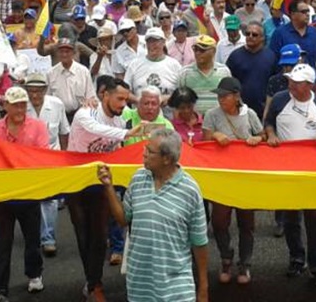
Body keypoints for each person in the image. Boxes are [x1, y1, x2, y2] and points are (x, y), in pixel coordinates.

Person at [97, 127, 210, 302]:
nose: (144, 154)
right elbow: (123, 219)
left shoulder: (190, 190)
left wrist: (203, 288)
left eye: (149, 151)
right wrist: (108, 187)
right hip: (140, 285)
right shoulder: (138, 179)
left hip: (177, 287)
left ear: (166, 159)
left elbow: (199, 242)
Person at [67, 76, 151, 301]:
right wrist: (126, 133)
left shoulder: (122, 117)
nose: (123, 104)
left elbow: (143, 120)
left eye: (126, 100)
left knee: (99, 234)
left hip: (102, 182)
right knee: (83, 234)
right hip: (76, 181)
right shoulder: (86, 113)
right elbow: (96, 129)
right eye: (119, 99)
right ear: (104, 95)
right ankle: (91, 280)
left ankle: (95, 285)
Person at [264, 62, 316, 289]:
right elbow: (268, 121)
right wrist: (271, 134)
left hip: (313, 171)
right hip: (287, 169)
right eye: (290, 82)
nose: (292, 86)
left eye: (296, 83)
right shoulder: (280, 99)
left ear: (309, 85)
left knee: (315, 219)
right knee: (290, 218)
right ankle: (296, 258)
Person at [0, 86, 50, 300]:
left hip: (28, 192)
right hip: (4, 193)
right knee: (1, 242)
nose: (20, 108)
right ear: (5, 106)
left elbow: (42, 156)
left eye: (23, 104)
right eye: (15, 104)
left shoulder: (38, 127)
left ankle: (34, 274)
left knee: (32, 238)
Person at [202, 76, 264, 284]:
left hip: (245, 176)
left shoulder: (250, 114)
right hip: (221, 176)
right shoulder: (212, 114)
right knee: (219, 221)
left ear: (236, 96)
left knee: (246, 223)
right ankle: (226, 258)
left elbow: (262, 134)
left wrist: (258, 138)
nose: (220, 100)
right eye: (219, 96)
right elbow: (204, 139)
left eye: (224, 96)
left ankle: (245, 264)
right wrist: (215, 135)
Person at [23, 73, 70, 256]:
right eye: (31, 91)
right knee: (32, 199)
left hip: (52, 157)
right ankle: (33, 233)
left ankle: (48, 238)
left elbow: (64, 132)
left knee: (50, 200)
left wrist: (65, 158)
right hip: (27, 159)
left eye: (38, 91)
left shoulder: (56, 104)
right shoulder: (22, 106)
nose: (35, 96)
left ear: (45, 90)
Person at [226, 22, 277, 114]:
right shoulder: (235, 56)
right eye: (247, 33)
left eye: (254, 34)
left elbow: (274, 83)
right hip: (239, 109)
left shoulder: (271, 56)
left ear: (262, 38)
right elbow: (228, 83)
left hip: (264, 110)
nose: (250, 36)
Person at [46, 37, 95, 121]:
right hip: (59, 116)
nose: (64, 54)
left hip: (80, 114)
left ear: (73, 53)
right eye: (61, 51)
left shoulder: (83, 71)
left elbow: (90, 96)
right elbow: (48, 98)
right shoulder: (51, 73)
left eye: (67, 51)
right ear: (57, 53)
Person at [178, 35, 229, 114]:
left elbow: (229, 98)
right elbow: (178, 100)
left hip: (218, 121)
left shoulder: (224, 71)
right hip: (193, 122)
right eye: (195, 49)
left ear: (213, 51)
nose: (198, 53)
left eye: (202, 50)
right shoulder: (185, 73)